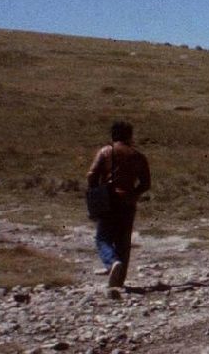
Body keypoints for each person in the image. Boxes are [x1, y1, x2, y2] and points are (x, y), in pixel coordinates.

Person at [87, 121, 152, 292]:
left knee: (102, 238)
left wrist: (96, 190)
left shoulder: (106, 151)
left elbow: (91, 174)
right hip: (128, 202)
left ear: (113, 135)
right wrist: (133, 194)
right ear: (129, 135)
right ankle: (118, 281)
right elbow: (146, 183)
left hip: (109, 199)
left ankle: (111, 262)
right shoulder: (138, 156)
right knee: (123, 241)